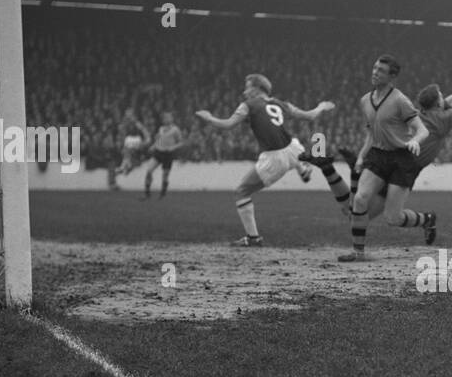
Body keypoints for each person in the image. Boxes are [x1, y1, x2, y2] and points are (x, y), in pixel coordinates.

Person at [341, 72, 452, 255]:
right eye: (441, 96)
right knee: (363, 216)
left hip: (401, 165)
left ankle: (426, 220)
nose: (444, 98)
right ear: (438, 103)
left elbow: (451, 99)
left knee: (380, 216)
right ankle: (422, 221)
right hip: (400, 163)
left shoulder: (421, 113)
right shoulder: (442, 119)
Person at [194, 73, 335, 246]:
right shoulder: (280, 103)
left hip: (274, 157)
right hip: (293, 148)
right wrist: (321, 106)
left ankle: (253, 238)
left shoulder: (248, 105)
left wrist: (208, 117)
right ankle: (302, 167)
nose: (245, 91)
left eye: (247, 87)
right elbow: (310, 116)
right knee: (294, 146)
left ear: (257, 88)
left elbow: (228, 125)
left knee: (241, 192)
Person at [337, 55, 424, 262]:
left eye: (381, 70)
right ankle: (358, 252)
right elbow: (371, 133)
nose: (375, 72)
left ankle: (426, 220)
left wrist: (415, 141)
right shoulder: (365, 100)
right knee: (359, 199)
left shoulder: (400, 100)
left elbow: (422, 129)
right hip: (377, 155)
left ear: (392, 76)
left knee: (393, 218)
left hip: (401, 159)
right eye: (375, 68)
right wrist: (361, 156)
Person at [141, 112, 185, 198]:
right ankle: (147, 193)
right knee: (149, 170)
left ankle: (163, 193)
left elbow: (181, 142)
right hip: (158, 152)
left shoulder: (175, 129)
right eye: (165, 118)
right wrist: (153, 146)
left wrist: (173, 147)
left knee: (165, 175)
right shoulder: (161, 128)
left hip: (168, 154)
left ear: (172, 119)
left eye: (168, 117)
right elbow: (160, 140)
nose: (167, 119)